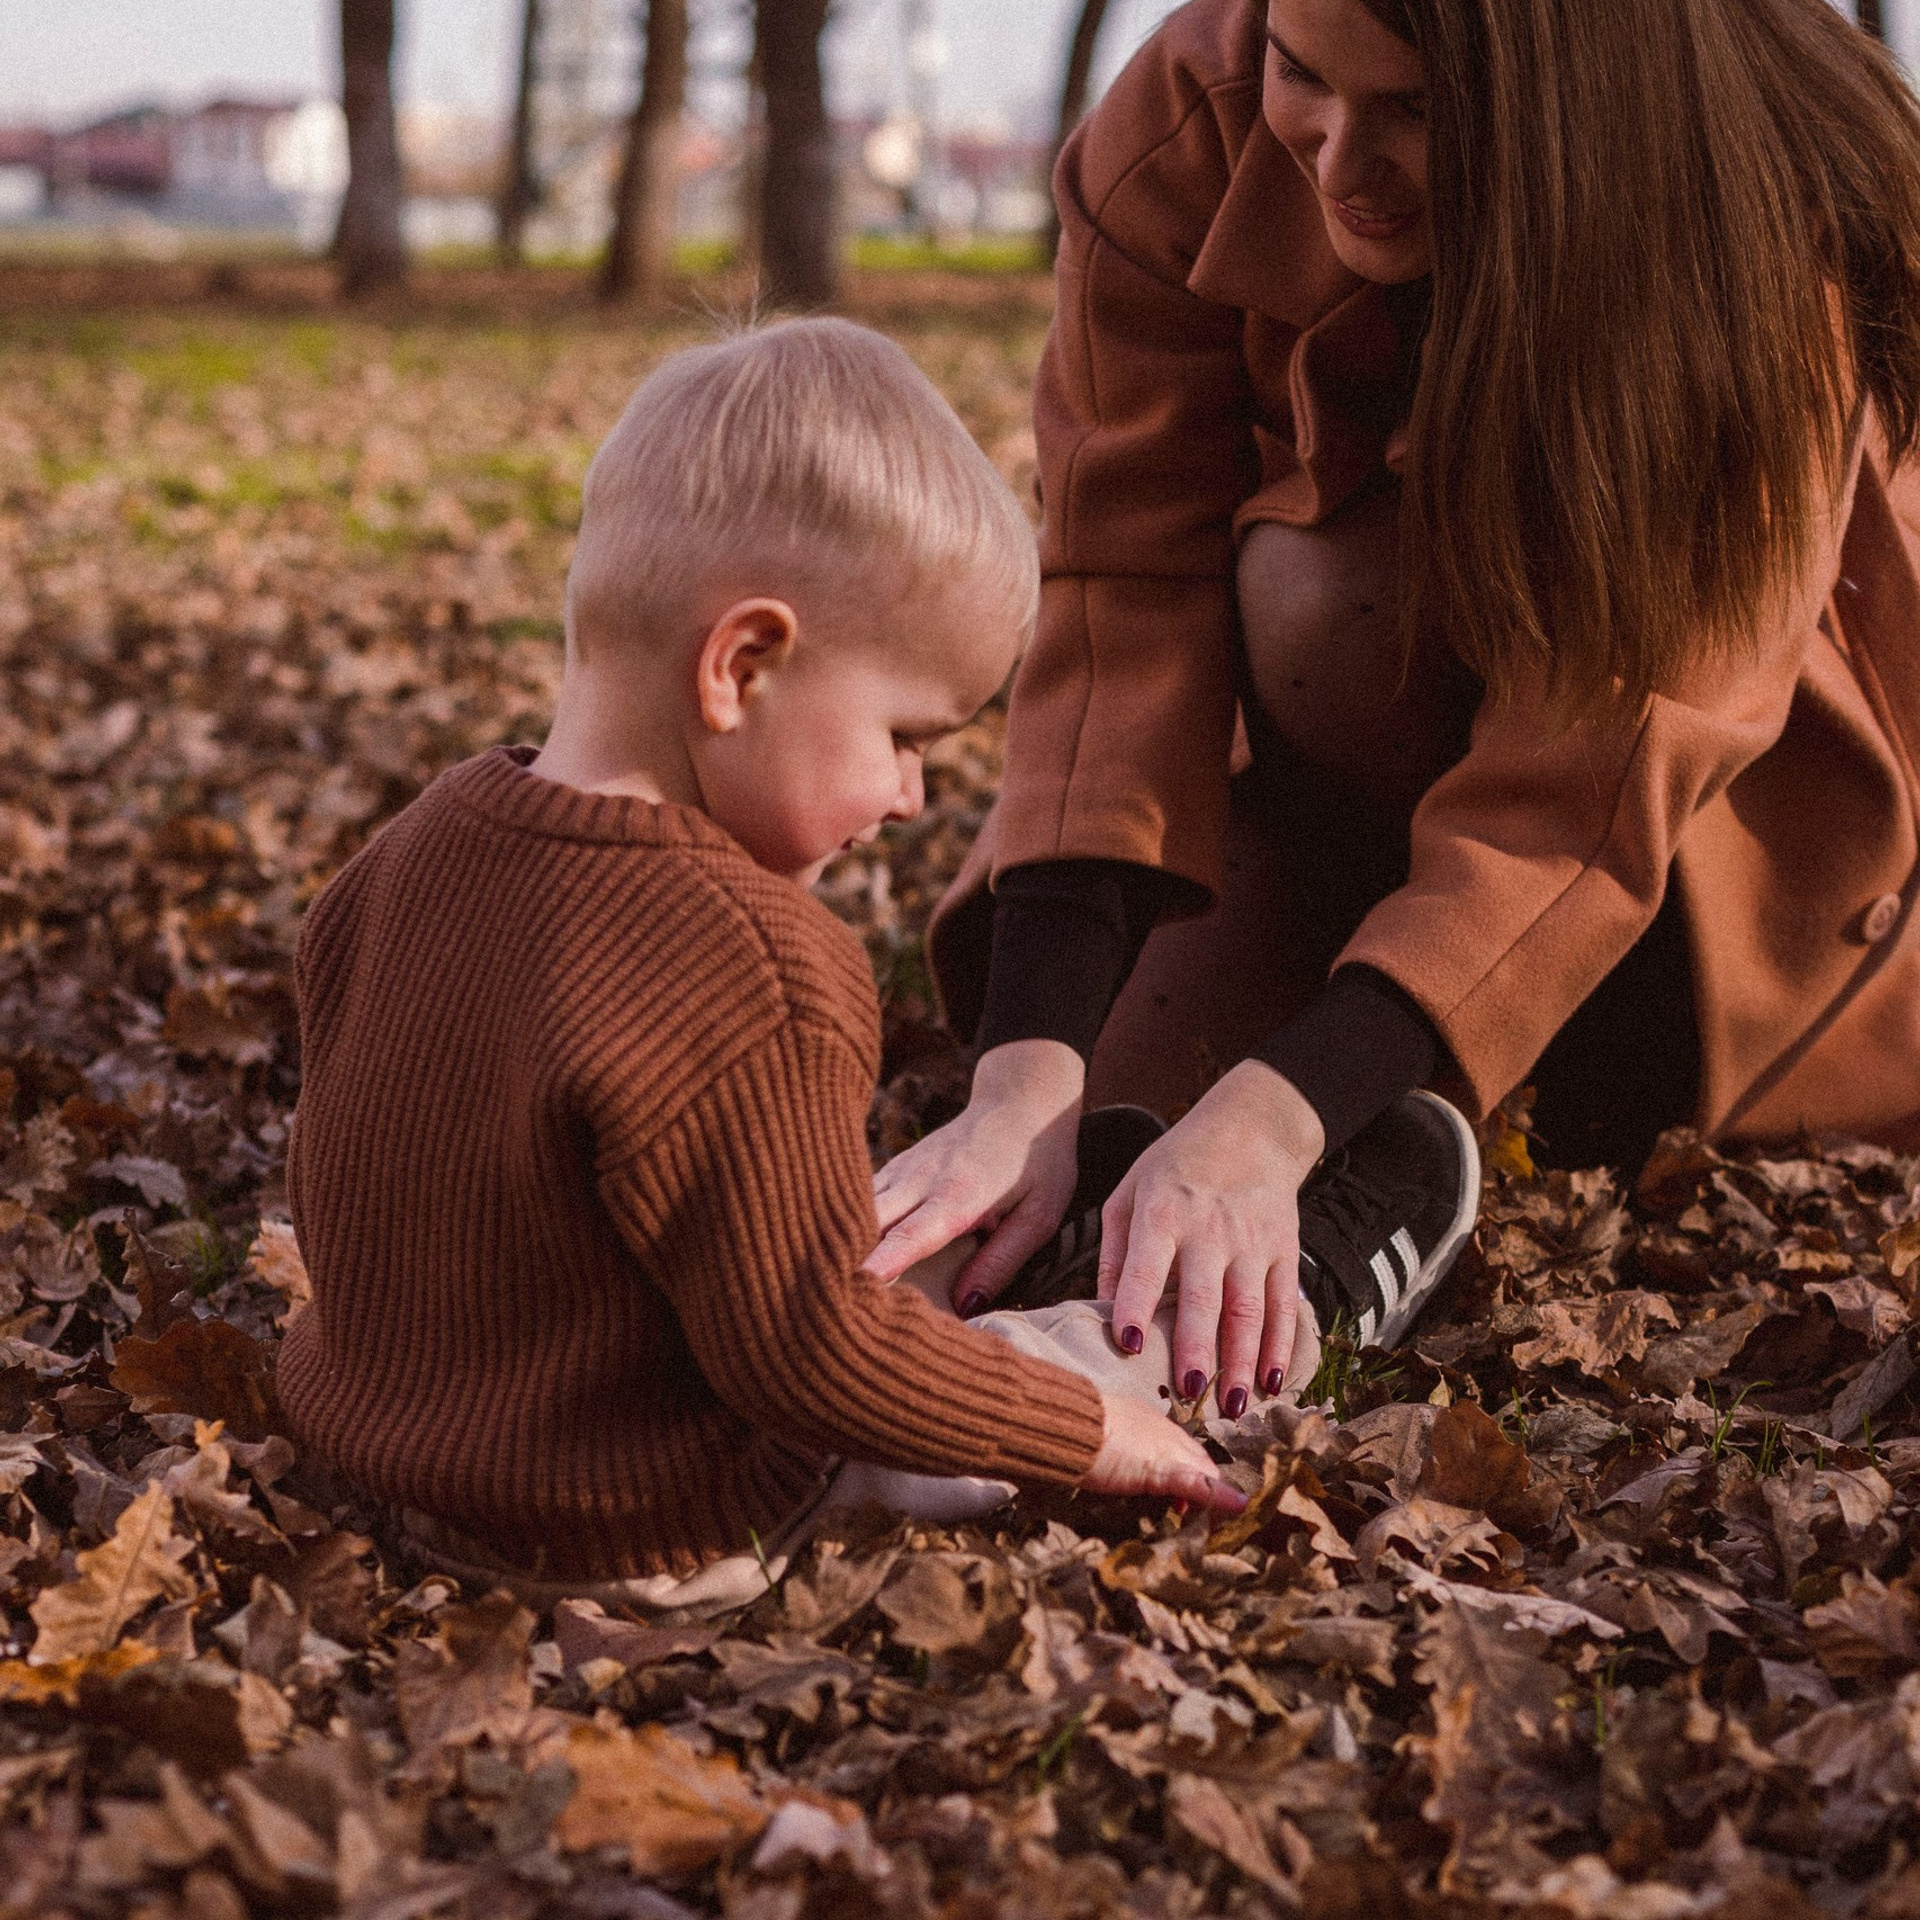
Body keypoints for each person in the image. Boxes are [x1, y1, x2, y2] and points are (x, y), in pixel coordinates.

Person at [867, 0, 1920, 1414]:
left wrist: (1282, 1109)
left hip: (1707, 851)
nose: (1339, 161)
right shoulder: (1187, 121)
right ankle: (1345, 1025)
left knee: (1326, 611)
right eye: (1301, 72)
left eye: (1418, 110)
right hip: (1336, 773)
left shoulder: (1747, 223)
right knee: (1126, 1104)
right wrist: (1024, 1069)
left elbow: (1604, 770)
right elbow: (1125, 574)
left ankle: (1468, 1080)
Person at [277, 319, 1258, 1613]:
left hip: (386, 1468)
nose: (911, 797)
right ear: (743, 665)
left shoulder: (407, 854)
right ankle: (1246, 1311)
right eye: (904, 736)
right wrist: (1087, 1431)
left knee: (853, 1245)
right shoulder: (753, 965)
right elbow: (810, 1354)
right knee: (1092, 1361)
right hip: (643, 1519)